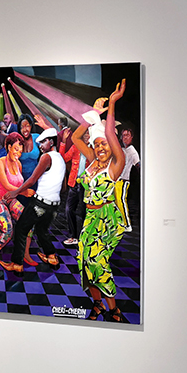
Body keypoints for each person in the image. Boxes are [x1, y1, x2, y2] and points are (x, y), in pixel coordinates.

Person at [69, 81, 130, 323]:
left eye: (104, 143)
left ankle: (113, 309)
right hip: (91, 218)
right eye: (96, 144)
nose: (100, 147)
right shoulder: (92, 161)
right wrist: (93, 114)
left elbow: (111, 134)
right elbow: (75, 136)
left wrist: (112, 103)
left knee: (97, 260)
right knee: (84, 260)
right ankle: (97, 304)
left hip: (108, 219)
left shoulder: (116, 165)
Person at [2, 128, 66, 271]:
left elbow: (32, 180)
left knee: (20, 229)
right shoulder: (60, 159)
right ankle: (52, 257)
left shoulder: (46, 157)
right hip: (54, 205)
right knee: (42, 230)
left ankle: (16, 264)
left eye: (43, 142)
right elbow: (64, 186)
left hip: (40, 203)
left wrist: (15, 192)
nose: (40, 146)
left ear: (51, 142)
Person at [0, 132, 33, 279]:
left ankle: (25, 254)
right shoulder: (0, 163)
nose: (18, 154)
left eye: (20, 151)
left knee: (29, 221)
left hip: (9, 199)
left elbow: (17, 186)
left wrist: (23, 191)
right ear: (8, 147)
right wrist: (24, 192)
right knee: (7, 230)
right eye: (16, 149)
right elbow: (7, 185)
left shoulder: (19, 164)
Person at [119, 126, 141, 232]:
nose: (125, 137)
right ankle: (119, 223)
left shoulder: (132, 151)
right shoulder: (122, 149)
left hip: (124, 180)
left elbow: (138, 164)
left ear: (131, 137)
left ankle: (127, 225)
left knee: (121, 201)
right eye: (123, 135)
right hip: (116, 180)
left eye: (127, 135)